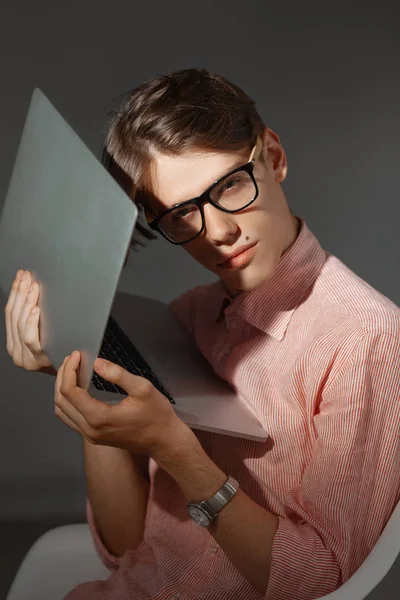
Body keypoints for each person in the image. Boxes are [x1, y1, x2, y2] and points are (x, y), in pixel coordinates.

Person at [5, 68, 400, 600]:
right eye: (182, 214)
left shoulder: (368, 338)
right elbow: (126, 548)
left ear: (274, 158)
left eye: (231, 185)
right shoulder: (185, 317)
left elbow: (317, 583)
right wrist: (86, 377)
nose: (217, 232)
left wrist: (177, 451)